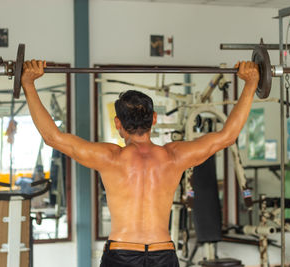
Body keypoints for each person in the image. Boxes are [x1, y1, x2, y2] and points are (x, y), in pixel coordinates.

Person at [21, 60, 259, 267]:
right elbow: (228, 136)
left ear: (117, 123)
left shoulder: (110, 158)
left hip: (121, 254)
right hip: (162, 253)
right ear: (154, 119)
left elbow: (52, 137)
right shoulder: (174, 157)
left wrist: (29, 84)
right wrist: (250, 83)